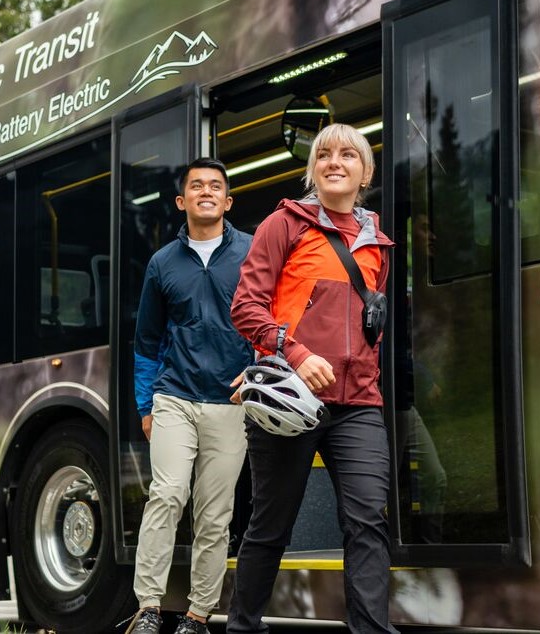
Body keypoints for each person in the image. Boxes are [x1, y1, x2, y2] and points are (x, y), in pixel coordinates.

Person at [227, 123, 397, 634]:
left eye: (348, 154)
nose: (335, 161)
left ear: (365, 172)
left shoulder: (377, 240)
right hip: (291, 399)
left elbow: (371, 322)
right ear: (313, 170)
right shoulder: (285, 224)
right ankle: (243, 626)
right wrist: (295, 354)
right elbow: (246, 307)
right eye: (324, 154)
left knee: (368, 521)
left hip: (359, 403)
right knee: (271, 527)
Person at [127, 158, 254, 634]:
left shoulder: (252, 251)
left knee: (215, 512)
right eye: (196, 186)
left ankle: (199, 615)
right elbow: (146, 341)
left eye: (215, 186)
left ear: (227, 201)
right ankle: (148, 608)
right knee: (167, 493)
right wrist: (145, 406)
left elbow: (269, 323)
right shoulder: (162, 263)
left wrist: (259, 379)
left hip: (231, 401)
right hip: (174, 397)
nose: (206, 191)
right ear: (182, 202)